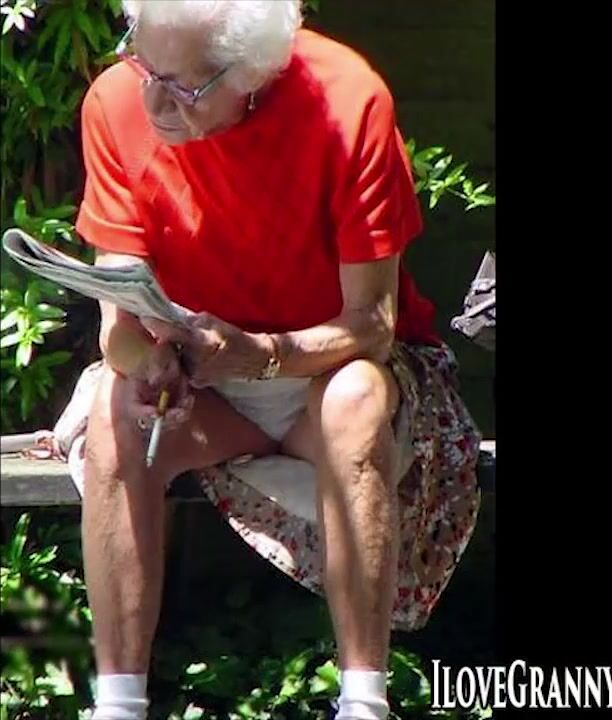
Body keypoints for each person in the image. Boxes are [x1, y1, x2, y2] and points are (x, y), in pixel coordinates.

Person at [54, 1, 483, 718]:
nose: (153, 101)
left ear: (252, 72)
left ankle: (363, 701)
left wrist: (257, 357)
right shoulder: (117, 101)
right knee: (114, 403)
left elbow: (373, 328)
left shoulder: (347, 100)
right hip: (203, 386)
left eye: (183, 85)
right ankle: (118, 705)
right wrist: (150, 360)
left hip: (324, 371)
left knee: (355, 399)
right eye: (142, 62)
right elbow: (117, 327)